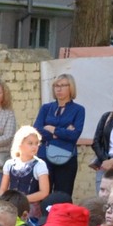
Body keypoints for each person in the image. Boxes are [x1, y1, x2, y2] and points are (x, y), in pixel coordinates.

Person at [34, 73, 87, 208]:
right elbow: (37, 131)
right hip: (44, 156)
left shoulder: (78, 110)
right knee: (43, 196)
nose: (59, 89)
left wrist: (52, 129)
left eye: (63, 85)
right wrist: (63, 131)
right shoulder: (46, 108)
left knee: (63, 197)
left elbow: (74, 135)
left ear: (71, 88)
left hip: (67, 158)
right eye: (56, 85)